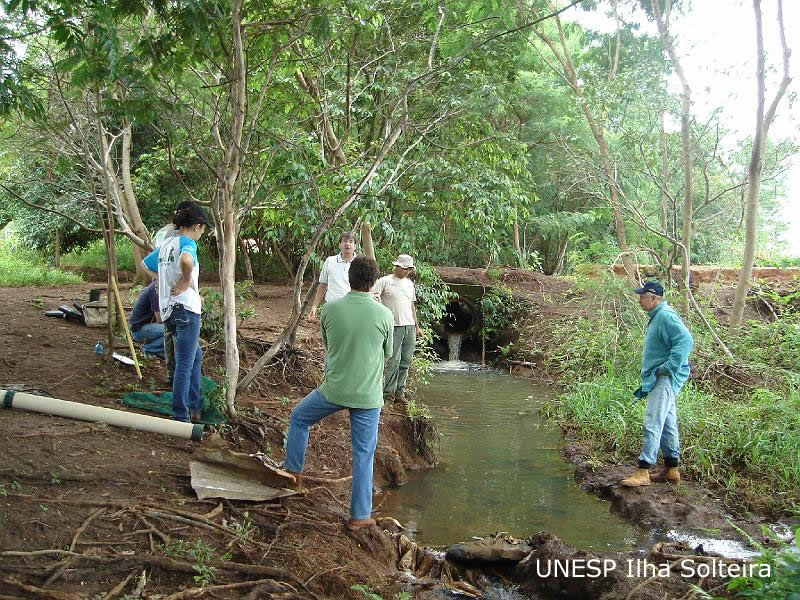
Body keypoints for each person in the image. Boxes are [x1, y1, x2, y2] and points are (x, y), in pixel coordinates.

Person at [284, 256, 394, 530]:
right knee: (363, 453)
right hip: (368, 395)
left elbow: (328, 344)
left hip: (334, 390)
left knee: (298, 418)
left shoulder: (329, 310)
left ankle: (293, 478)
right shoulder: (384, 314)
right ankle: (359, 516)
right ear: (373, 282)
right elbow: (387, 354)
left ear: (349, 278)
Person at [621, 281, 693, 487]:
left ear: (654, 298)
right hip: (659, 378)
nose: (640, 300)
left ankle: (643, 469)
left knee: (652, 422)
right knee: (668, 423)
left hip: (664, 378)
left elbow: (685, 340)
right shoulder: (658, 316)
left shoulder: (665, 315)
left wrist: (668, 368)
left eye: (643, 297)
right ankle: (671, 469)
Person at [143, 202, 209, 424]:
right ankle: (181, 416)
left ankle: (194, 405)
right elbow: (186, 260)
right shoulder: (187, 242)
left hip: (169, 309)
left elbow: (146, 264)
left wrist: (164, 279)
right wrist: (185, 279)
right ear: (197, 226)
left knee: (194, 356)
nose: (202, 233)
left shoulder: (166, 244)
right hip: (186, 310)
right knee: (184, 363)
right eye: (203, 229)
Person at [371, 254, 422, 402]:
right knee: (393, 361)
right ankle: (387, 394)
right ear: (397, 266)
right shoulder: (385, 281)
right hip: (393, 326)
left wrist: (417, 327)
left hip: (409, 327)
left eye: (409, 269)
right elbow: (372, 296)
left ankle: (400, 393)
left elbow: (412, 306)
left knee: (405, 361)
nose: (406, 271)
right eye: (404, 268)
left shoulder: (409, 284)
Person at [307, 231, 357, 323]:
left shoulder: (359, 263)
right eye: (344, 241)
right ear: (339, 245)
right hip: (332, 308)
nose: (347, 244)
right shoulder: (330, 261)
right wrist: (314, 306)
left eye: (351, 241)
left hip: (353, 309)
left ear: (355, 246)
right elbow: (323, 285)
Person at [129, 281, 165, 358]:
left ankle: (158, 350)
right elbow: (160, 319)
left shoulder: (163, 286)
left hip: (149, 326)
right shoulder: (155, 289)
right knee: (173, 330)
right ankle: (149, 349)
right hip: (139, 329)